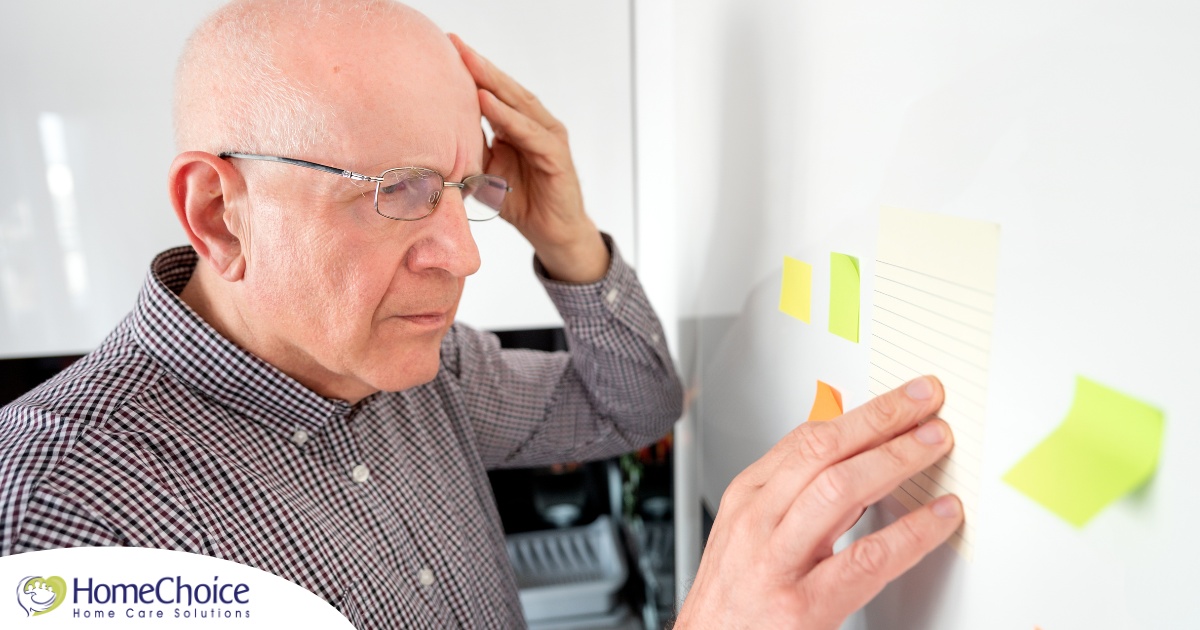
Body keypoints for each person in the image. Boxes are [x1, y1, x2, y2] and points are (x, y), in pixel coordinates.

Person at [0, 1, 962, 628]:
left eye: (465, 189)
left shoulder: (421, 372)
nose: (462, 253)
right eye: (402, 190)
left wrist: (568, 235)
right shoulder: (61, 517)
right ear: (220, 214)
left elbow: (632, 406)